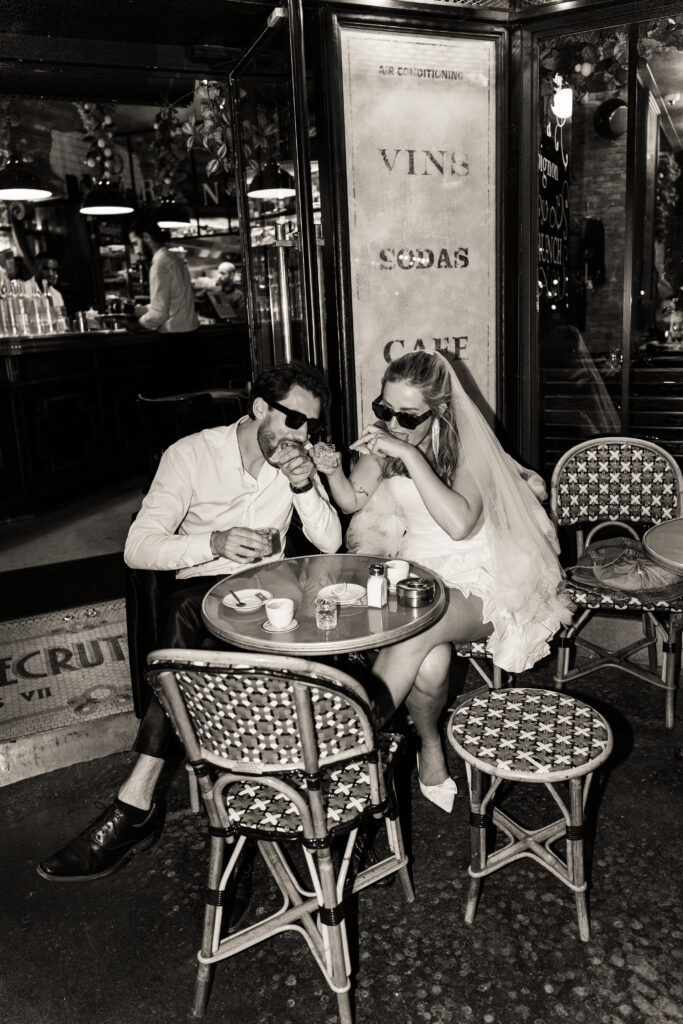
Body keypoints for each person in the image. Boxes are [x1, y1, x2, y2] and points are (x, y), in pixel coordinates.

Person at [37, 361, 342, 881]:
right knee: (188, 612)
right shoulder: (191, 455)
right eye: (295, 421)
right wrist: (213, 543)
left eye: (311, 425)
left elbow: (331, 542)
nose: (303, 436)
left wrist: (303, 487)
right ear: (260, 408)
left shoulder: (296, 460)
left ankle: (138, 806)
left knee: (189, 633)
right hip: (200, 591)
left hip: (267, 600)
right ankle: (213, 822)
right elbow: (137, 547)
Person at [314, 350, 574, 813]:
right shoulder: (391, 439)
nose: (392, 423)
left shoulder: (468, 451)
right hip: (417, 577)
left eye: (407, 416)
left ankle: (341, 749)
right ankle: (429, 745)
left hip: (482, 582)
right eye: (383, 409)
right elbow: (352, 501)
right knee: (430, 666)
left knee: (423, 619)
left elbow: (459, 525)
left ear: (441, 412)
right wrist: (333, 470)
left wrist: (409, 455)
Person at [129, 214, 199, 333]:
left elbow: (158, 313)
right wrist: (134, 311)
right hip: (190, 333)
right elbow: (167, 303)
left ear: (146, 237)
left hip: (175, 337)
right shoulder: (174, 259)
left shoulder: (159, 265)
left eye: (136, 243)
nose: (136, 251)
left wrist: (134, 325)